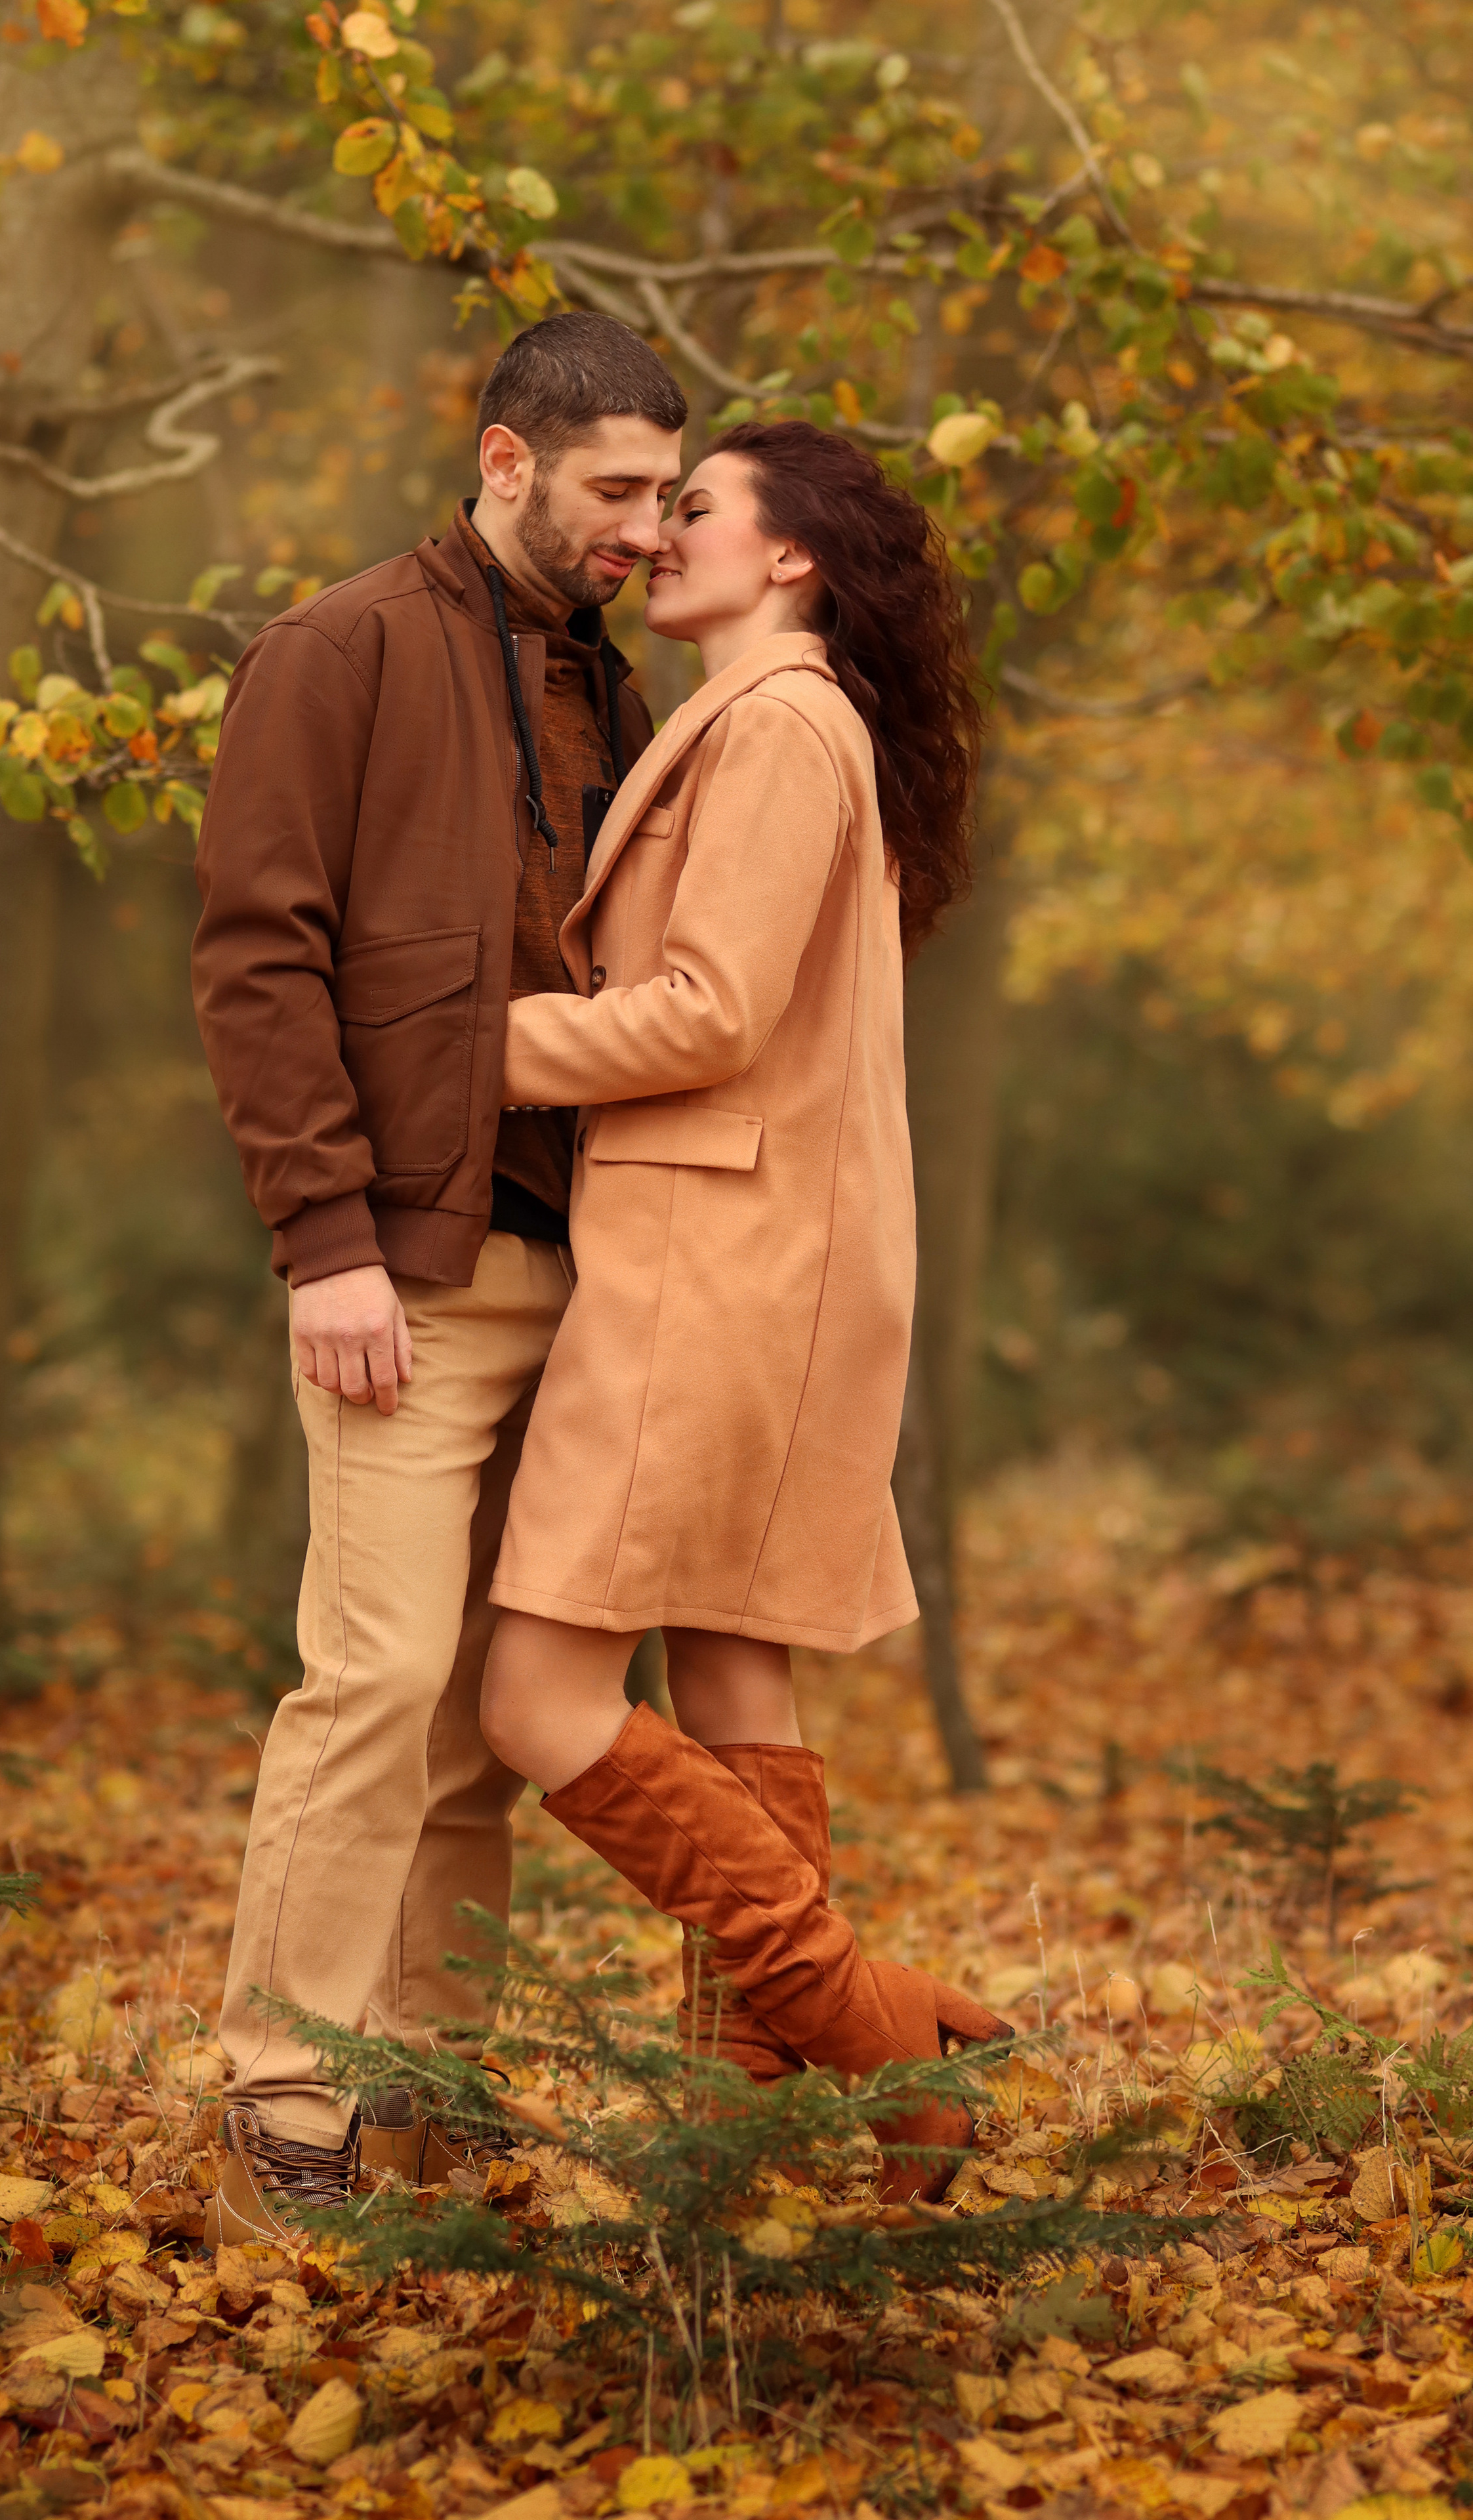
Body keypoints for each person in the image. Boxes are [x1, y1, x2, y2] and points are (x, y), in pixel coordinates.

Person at [190, 312, 687, 2246]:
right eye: (617, 489)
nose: (646, 527)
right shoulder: (341, 650)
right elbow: (261, 956)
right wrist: (323, 1242)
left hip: (591, 1271)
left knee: (486, 1712)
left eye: (667, 495)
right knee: (378, 1677)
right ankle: (279, 2095)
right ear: (505, 461)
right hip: (405, 1273)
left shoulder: (619, 693)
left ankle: (424, 2094)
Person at [478, 421, 1008, 2200]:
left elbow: (708, 1012)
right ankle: (734, 2147)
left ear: (791, 558)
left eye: (695, 508)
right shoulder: (787, 721)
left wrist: (471, 1047)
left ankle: (877, 2038)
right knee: (730, 1675)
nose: (659, 536)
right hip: (775, 1247)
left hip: (715, 1257)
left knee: (535, 1695)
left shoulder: (780, 725)